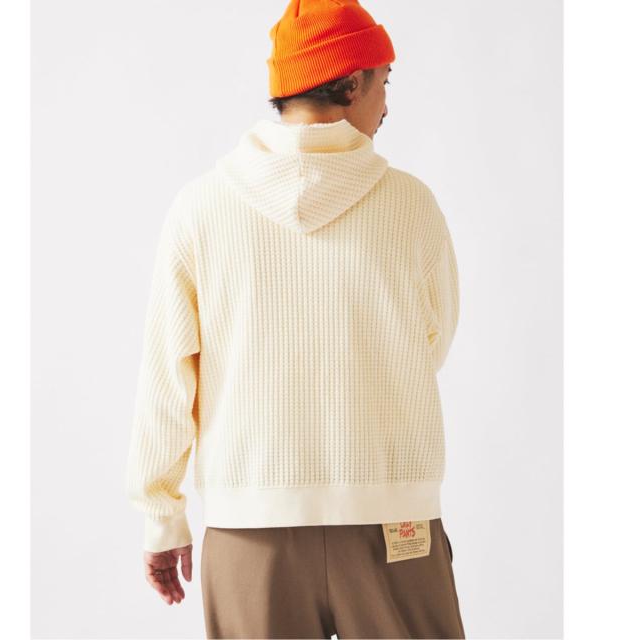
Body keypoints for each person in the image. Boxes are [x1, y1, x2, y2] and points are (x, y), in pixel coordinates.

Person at [125, 1, 465, 638]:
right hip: (395, 521)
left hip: (249, 529)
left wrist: (162, 517)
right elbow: (431, 343)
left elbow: (167, 378)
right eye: (384, 82)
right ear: (352, 82)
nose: (386, 106)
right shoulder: (411, 206)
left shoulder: (200, 208)